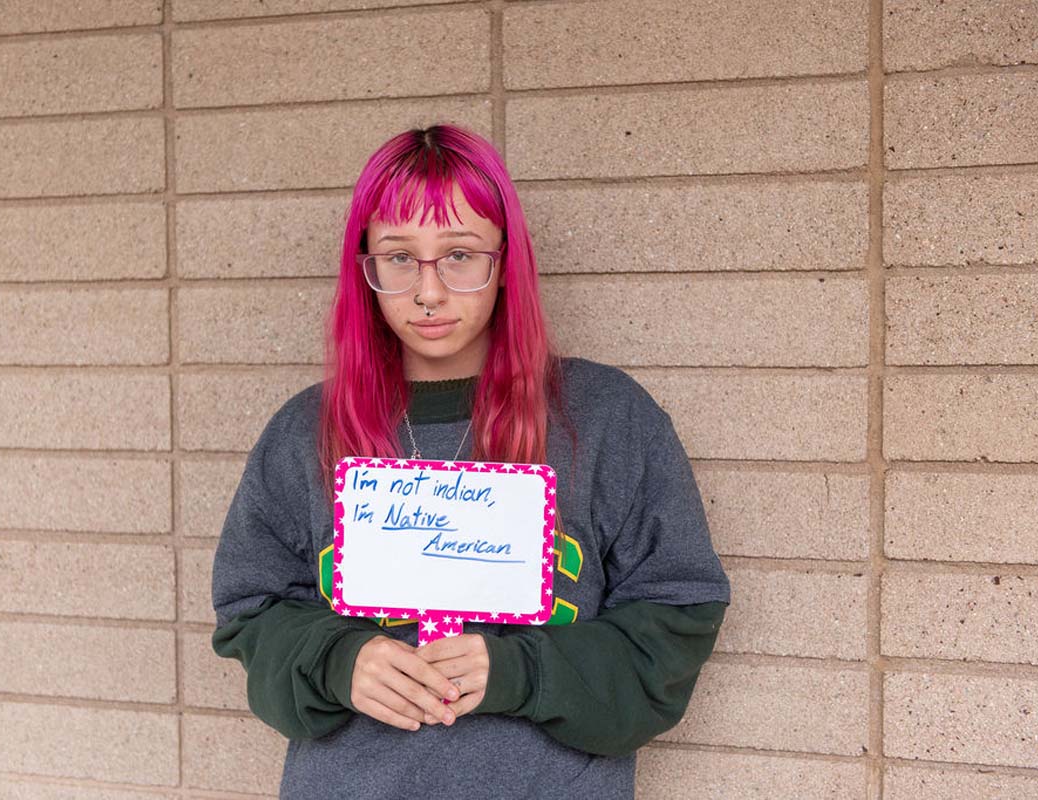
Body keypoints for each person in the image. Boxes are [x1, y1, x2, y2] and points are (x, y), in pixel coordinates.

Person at [210, 123, 731, 799]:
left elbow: (678, 612)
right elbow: (252, 610)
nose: (428, 291)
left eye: (459, 254)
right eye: (399, 258)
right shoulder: (304, 433)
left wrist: (522, 671)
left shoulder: (607, 420)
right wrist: (338, 659)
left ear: (505, 261)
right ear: (363, 265)